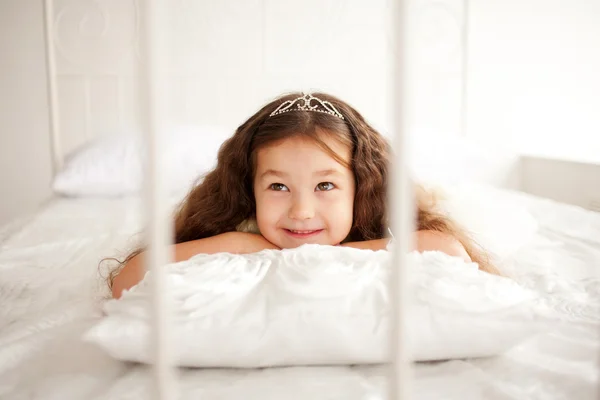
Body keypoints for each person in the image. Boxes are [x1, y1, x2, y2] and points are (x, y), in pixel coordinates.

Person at [108, 92, 497, 298]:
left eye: (325, 185)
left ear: (362, 188)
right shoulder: (241, 230)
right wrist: (241, 243)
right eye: (278, 186)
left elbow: (449, 251)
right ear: (250, 188)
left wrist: (323, 255)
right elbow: (125, 280)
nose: (302, 211)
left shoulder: (376, 222)